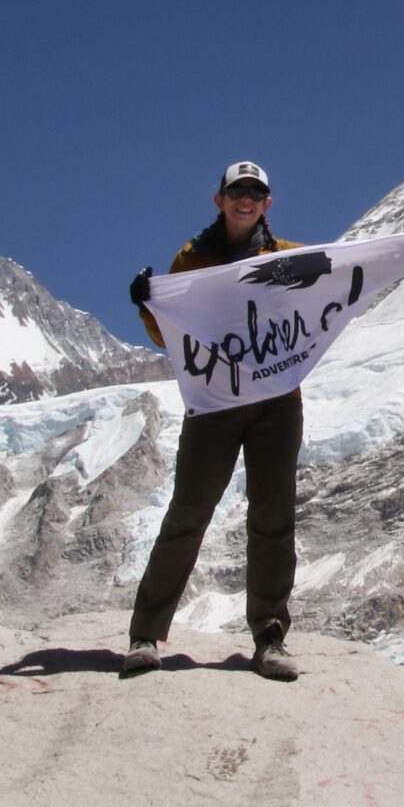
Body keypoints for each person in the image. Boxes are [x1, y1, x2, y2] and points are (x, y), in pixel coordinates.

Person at [121, 161, 306, 683]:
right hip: (215, 402)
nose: (246, 199)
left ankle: (269, 638)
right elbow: (170, 335)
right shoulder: (192, 259)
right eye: (237, 191)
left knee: (274, 518)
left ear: (266, 204)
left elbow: (329, 298)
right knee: (189, 511)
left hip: (276, 402)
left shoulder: (288, 258)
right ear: (220, 200)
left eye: (256, 193)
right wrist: (147, 306)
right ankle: (145, 635)